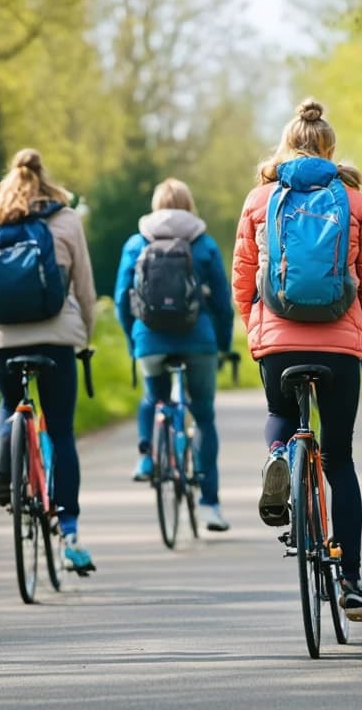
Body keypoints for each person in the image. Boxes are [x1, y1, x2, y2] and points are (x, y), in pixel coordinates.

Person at [231, 98, 362, 622]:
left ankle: (279, 454)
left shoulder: (260, 198)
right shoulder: (355, 202)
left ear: (286, 143)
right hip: (340, 345)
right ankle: (351, 581)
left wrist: (257, 329)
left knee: (281, 411)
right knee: (339, 459)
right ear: (329, 147)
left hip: (280, 342)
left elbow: (243, 278)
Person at [0, 148, 97, 575]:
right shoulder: (65, 218)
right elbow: (84, 288)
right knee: (59, 430)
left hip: (2, 337)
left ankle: (6, 478)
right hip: (57, 337)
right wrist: (85, 335)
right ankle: (71, 530)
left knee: (10, 406)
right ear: (45, 179)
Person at [115, 178, 235, 531]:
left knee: (153, 396)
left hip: (149, 339)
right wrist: (223, 345)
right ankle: (210, 505)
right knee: (204, 417)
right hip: (199, 341)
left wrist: (132, 339)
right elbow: (222, 304)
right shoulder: (204, 243)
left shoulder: (137, 242)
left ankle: (147, 460)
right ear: (189, 204)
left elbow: (123, 298)